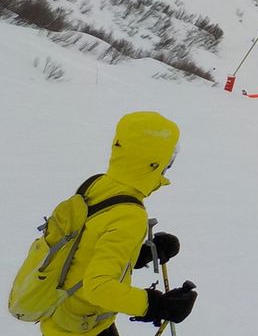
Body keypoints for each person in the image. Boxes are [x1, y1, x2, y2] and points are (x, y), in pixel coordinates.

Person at [39, 111, 198, 336]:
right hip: (83, 326)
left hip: (62, 313)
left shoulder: (97, 185)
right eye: (168, 159)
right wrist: (156, 305)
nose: (168, 166)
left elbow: (84, 249)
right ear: (154, 163)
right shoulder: (129, 215)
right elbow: (98, 288)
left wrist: (138, 254)